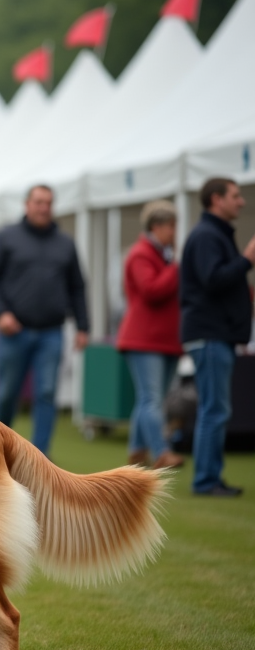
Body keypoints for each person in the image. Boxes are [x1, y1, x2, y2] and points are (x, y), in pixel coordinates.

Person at [0, 185, 88, 458]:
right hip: (14, 332)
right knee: (6, 395)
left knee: (47, 394)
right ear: (27, 205)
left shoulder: (65, 243)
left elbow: (77, 287)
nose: (43, 208)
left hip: (52, 332)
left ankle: (40, 458)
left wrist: (84, 326)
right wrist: (0, 313)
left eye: (48, 203)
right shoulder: (6, 237)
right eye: (38, 202)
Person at [179, 177, 255, 497]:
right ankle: (206, 480)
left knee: (215, 408)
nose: (242, 202)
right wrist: (247, 259)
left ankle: (210, 477)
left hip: (214, 335)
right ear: (216, 200)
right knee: (214, 409)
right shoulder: (207, 235)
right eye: (235, 196)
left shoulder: (211, 233)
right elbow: (214, 280)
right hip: (210, 335)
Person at [116, 200, 184, 471]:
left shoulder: (163, 255)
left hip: (165, 340)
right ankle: (162, 452)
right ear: (156, 226)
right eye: (171, 226)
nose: (174, 232)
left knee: (148, 399)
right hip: (144, 339)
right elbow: (151, 290)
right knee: (151, 399)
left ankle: (136, 453)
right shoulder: (141, 254)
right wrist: (176, 268)